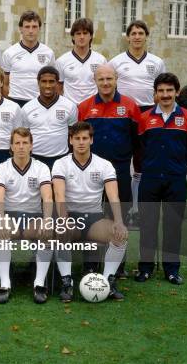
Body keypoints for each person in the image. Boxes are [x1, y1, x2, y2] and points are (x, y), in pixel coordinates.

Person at [51, 121, 129, 302]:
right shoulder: (61, 164)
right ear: (70, 140)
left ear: (91, 140)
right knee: (61, 231)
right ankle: (67, 282)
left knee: (120, 234)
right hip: (71, 217)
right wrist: (63, 219)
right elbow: (59, 195)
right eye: (76, 138)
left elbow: (113, 196)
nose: (81, 142)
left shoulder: (104, 165)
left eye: (85, 138)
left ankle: (108, 282)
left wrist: (118, 221)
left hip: (94, 219)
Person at [136, 73, 187, 285]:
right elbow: (141, 148)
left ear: (177, 92)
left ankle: (171, 270)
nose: (165, 95)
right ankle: (145, 268)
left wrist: (176, 166)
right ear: (155, 94)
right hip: (150, 179)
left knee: (173, 225)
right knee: (148, 225)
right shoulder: (145, 118)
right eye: (161, 91)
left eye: (169, 90)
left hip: (176, 180)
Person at [78, 64, 140, 276]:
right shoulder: (84, 107)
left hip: (120, 170)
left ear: (116, 79)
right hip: (91, 172)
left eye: (109, 78)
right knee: (93, 217)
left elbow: (136, 141)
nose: (105, 83)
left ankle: (117, 267)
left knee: (118, 216)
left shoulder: (130, 106)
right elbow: (80, 140)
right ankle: (91, 265)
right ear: (95, 81)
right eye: (101, 79)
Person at [109, 20, 166, 225]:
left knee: (142, 163)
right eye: (133, 33)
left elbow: (162, 90)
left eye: (141, 33)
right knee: (122, 160)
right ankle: (120, 208)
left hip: (148, 113)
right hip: (124, 114)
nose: (137, 36)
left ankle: (137, 209)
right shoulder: (116, 61)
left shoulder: (157, 62)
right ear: (128, 37)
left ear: (146, 36)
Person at [0, 127, 53, 303]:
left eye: (25, 143)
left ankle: (39, 284)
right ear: (11, 146)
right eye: (17, 143)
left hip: (32, 216)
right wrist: (1, 219)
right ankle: (5, 284)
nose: (21, 147)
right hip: (10, 215)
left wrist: (47, 221)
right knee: (1, 232)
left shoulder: (41, 167)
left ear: (31, 146)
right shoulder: (2, 168)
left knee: (46, 234)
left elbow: (47, 196)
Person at [22, 66, 77, 170]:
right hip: (35, 159)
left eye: (51, 81)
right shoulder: (27, 108)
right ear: (38, 83)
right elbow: (24, 136)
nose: (48, 85)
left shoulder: (69, 106)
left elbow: (72, 134)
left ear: (57, 83)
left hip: (61, 159)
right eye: (44, 81)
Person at [1, 11, 55, 107]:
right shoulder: (9, 53)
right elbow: (5, 84)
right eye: (27, 27)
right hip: (15, 101)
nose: (30, 31)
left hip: (40, 102)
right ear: (21, 29)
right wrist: (9, 105)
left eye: (34, 27)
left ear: (39, 29)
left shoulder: (48, 53)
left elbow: (52, 81)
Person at [55, 18, 107, 105]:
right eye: (78, 33)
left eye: (85, 33)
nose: (82, 37)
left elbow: (105, 85)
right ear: (73, 36)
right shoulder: (62, 61)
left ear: (91, 36)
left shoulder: (101, 60)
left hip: (93, 108)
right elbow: (58, 88)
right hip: (70, 108)